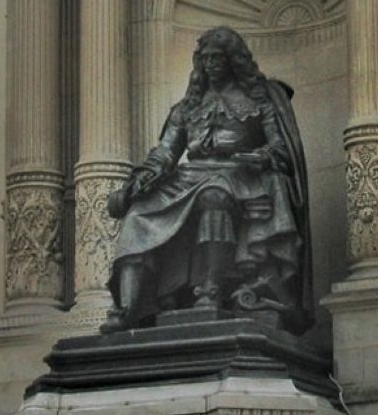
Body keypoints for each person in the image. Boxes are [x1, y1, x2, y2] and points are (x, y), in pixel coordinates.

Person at [104, 26, 311, 331]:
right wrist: (142, 181)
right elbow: (166, 152)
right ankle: (128, 308)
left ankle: (211, 289)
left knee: (214, 195)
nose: (211, 64)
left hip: (238, 175)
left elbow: (280, 148)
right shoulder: (187, 107)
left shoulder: (259, 101)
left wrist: (262, 157)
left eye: (218, 58)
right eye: (206, 58)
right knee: (138, 214)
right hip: (190, 176)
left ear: (232, 60)